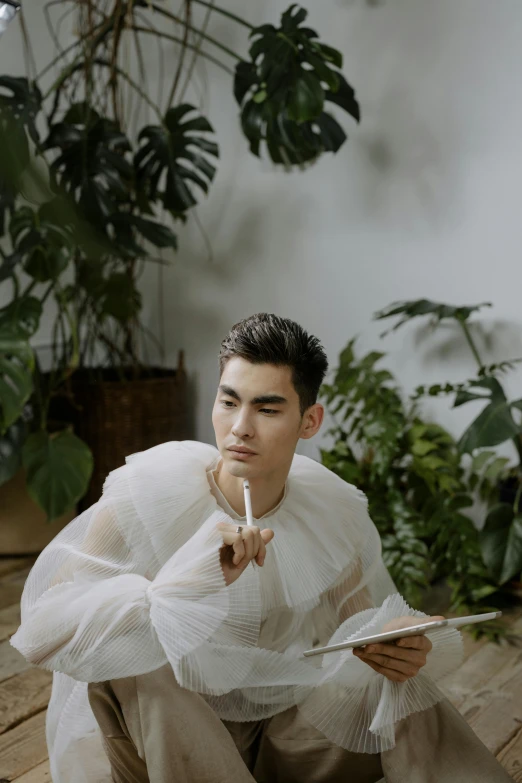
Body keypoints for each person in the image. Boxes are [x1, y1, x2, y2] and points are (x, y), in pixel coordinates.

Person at [10, 313, 514, 783]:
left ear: (309, 421)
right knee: (141, 660)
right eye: (229, 401)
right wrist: (178, 588)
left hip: (282, 740)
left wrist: (395, 643)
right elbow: (43, 632)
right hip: (162, 747)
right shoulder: (146, 494)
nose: (240, 428)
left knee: (396, 681)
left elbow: (361, 630)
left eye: (267, 408)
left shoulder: (329, 511)